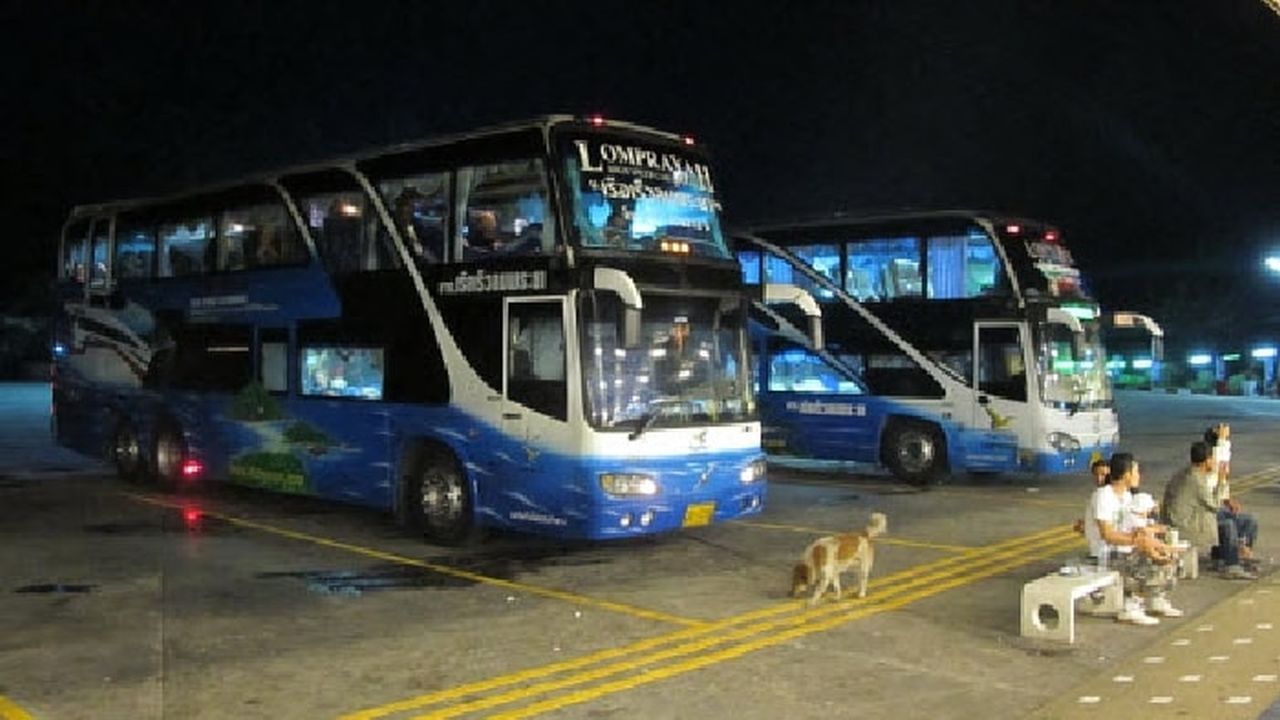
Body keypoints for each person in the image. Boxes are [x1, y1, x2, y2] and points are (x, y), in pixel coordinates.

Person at [1085, 452, 1182, 625]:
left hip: (1125, 548)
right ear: (1126, 475)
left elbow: (1134, 526)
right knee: (1145, 562)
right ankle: (1130, 606)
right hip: (1106, 553)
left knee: (1169, 557)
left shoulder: (1127, 496)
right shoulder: (1103, 496)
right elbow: (1107, 535)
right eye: (1136, 472)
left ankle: (1156, 598)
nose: (1139, 476)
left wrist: (1150, 535)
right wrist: (1138, 541)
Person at [1204, 424, 1261, 576]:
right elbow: (1221, 457)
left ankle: (1242, 551)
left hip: (1219, 507)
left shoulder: (1218, 470)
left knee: (1250, 520)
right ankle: (1231, 563)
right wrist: (1222, 438)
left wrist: (1228, 500)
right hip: (1208, 511)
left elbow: (1221, 486)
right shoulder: (1206, 466)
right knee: (1228, 524)